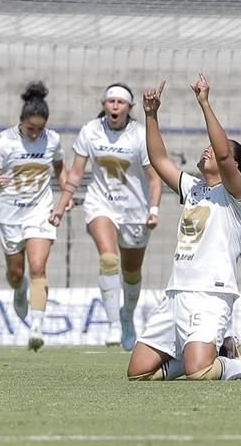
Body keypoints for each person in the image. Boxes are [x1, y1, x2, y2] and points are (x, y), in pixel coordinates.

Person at [126, 74, 241, 381]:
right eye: (207, 147)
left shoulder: (235, 196)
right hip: (176, 293)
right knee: (138, 375)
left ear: (233, 167)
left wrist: (204, 103)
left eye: (214, 149)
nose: (208, 150)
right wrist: (151, 115)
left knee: (199, 373)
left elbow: (224, 151)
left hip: (210, 294)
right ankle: (220, 355)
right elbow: (159, 159)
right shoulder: (193, 188)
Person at [50, 83, 163, 350]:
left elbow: (154, 179)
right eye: (110, 101)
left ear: (129, 108)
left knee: (131, 271)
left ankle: (126, 316)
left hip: (135, 211)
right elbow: (75, 174)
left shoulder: (140, 135)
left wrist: (153, 210)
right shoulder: (90, 131)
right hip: (100, 204)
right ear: (103, 105)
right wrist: (60, 205)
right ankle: (113, 323)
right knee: (109, 259)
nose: (114, 106)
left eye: (120, 102)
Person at [0, 81, 66, 351]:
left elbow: (61, 170)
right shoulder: (4, 141)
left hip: (40, 211)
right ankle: (19, 290)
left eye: (39, 129)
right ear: (21, 122)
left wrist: (65, 199)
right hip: (10, 215)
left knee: (39, 268)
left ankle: (36, 329)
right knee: (17, 274)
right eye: (31, 129)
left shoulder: (52, 140)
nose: (35, 134)